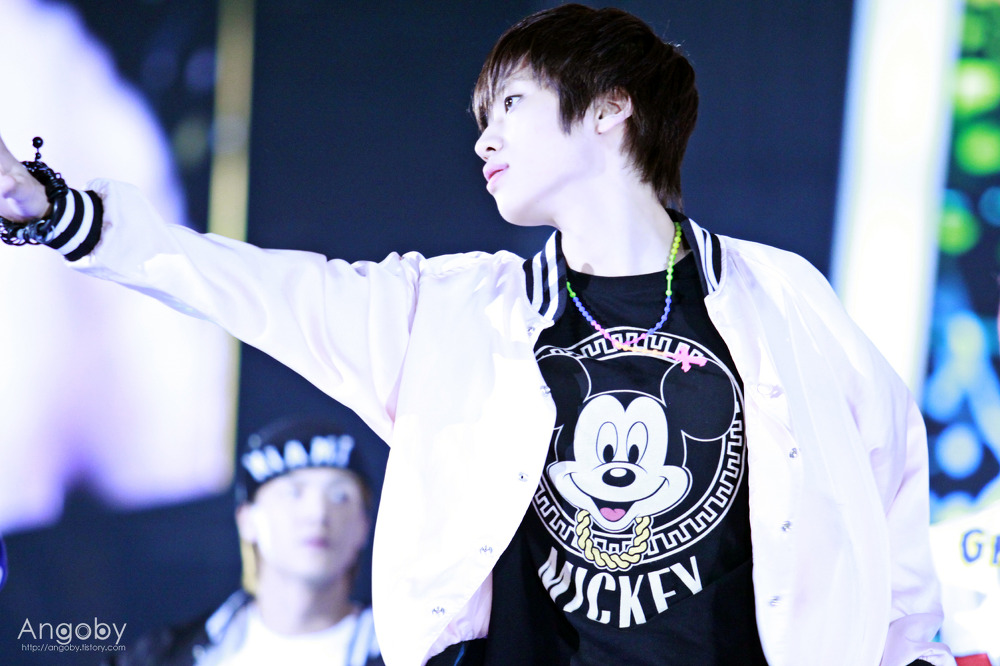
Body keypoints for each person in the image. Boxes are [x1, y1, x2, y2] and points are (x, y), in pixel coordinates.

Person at [0, 4, 954, 666]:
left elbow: (889, 477)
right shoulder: (453, 312)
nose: (483, 139)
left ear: (611, 105)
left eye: (510, 106)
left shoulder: (779, 295)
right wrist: (56, 211)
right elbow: (252, 288)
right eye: (479, 119)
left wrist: (912, 654)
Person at [106, 417, 384, 665]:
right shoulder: (160, 655)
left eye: (340, 496)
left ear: (365, 526)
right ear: (247, 519)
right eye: (293, 492)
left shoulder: (401, 651)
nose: (318, 513)